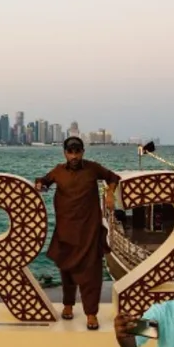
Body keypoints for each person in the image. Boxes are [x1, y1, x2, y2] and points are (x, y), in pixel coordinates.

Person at [36, 136, 119, 330]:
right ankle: (68, 305)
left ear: (83, 152)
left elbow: (112, 177)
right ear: (65, 153)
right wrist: (40, 186)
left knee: (92, 273)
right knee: (66, 269)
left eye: (77, 151)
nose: (74, 155)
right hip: (66, 229)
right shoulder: (58, 171)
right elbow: (44, 181)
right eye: (70, 152)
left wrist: (109, 193)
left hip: (89, 230)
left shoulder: (92, 168)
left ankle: (91, 314)